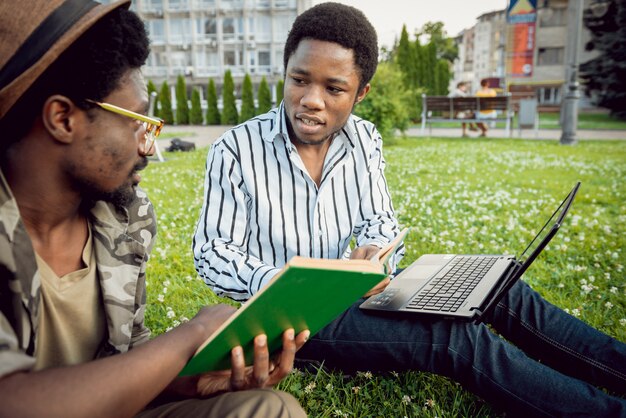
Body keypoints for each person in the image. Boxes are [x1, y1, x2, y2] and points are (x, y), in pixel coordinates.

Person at [193, 2, 626, 417]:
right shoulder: (234, 150)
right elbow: (212, 252)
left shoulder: (364, 139)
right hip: (290, 319)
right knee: (454, 339)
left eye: (334, 88)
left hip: (354, 291)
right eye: (299, 80)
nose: (311, 99)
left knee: (499, 286)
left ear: (361, 93)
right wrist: (287, 284)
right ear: (285, 74)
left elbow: (379, 219)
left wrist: (377, 251)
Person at [0, 1, 308, 417]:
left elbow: (127, 358)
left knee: (268, 409)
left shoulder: (125, 216)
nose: (148, 145)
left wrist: (189, 379)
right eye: (137, 121)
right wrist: (189, 336)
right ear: (63, 118)